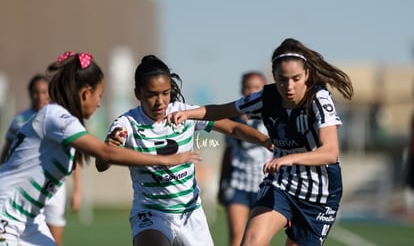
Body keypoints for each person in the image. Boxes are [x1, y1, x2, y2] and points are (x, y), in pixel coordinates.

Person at [0, 51, 202, 246]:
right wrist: (166, 160)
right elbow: (105, 153)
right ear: (86, 93)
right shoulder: (56, 117)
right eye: (99, 95)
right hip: (5, 216)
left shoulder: (63, 122)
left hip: (29, 222)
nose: (99, 104)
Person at [167, 38, 354, 246]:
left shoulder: (319, 99)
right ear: (274, 76)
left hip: (319, 193)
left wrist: (289, 158)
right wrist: (187, 113)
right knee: (250, 242)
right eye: (282, 79)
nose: (289, 86)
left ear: (307, 74)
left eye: (296, 78)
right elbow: (222, 110)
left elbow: (329, 152)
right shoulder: (267, 98)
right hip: (282, 183)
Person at [95, 55, 273, 246]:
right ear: (138, 93)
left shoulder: (184, 113)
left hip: (190, 212)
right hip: (151, 212)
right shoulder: (127, 124)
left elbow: (233, 128)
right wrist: (110, 148)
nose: (160, 101)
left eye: (165, 93)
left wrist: (266, 141)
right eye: (151, 94)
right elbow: (101, 164)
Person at [0, 74, 81, 246]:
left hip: (53, 188)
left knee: (52, 239)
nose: (41, 96)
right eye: (36, 92)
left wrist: (77, 190)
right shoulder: (21, 119)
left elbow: (75, 157)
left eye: (44, 92)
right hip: (26, 187)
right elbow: (7, 152)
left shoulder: (59, 120)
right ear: (30, 94)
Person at [217, 71, 273, 246]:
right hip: (238, 184)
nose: (252, 91)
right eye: (248, 87)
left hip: (264, 184)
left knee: (258, 239)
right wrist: (221, 183)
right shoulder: (233, 120)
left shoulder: (272, 117)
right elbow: (227, 153)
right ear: (242, 89)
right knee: (237, 235)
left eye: (256, 87)